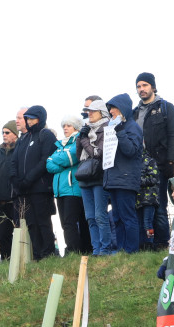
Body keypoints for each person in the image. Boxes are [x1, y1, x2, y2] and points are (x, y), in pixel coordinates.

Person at [133, 73, 174, 249]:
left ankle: (162, 241)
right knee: (141, 206)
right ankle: (146, 243)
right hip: (139, 166)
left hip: (160, 164)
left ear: (153, 87)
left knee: (159, 205)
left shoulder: (166, 107)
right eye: (138, 86)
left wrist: (170, 161)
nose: (141, 89)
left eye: (145, 85)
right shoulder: (134, 112)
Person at [10, 105, 57, 260]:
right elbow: (14, 162)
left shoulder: (46, 135)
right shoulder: (23, 139)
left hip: (40, 188)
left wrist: (28, 179)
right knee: (31, 223)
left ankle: (48, 253)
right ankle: (37, 254)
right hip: (24, 190)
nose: (28, 121)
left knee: (43, 221)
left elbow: (45, 160)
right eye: (27, 118)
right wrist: (16, 180)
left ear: (40, 118)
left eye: (32, 118)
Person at [102, 94, 144, 254]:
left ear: (123, 109)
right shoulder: (114, 127)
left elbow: (130, 151)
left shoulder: (133, 127)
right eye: (110, 108)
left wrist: (119, 131)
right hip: (114, 178)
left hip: (126, 180)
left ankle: (131, 251)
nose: (111, 111)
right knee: (117, 218)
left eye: (114, 107)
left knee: (128, 217)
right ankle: (120, 250)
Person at [47, 115, 89, 254]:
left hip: (73, 188)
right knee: (65, 223)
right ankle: (72, 249)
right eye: (64, 126)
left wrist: (57, 162)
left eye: (68, 126)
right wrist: (59, 163)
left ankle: (74, 250)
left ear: (76, 127)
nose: (65, 128)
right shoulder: (60, 145)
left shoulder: (78, 141)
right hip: (59, 190)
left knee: (71, 222)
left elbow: (69, 159)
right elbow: (48, 164)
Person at [77, 98, 113, 255]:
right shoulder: (86, 129)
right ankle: (96, 249)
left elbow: (98, 154)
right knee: (90, 217)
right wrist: (80, 138)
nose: (89, 114)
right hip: (85, 177)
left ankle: (106, 249)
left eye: (93, 111)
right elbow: (80, 156)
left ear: (102, 113)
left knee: (100, 215)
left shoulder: (108, 128)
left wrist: (84, 140)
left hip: (99, 176)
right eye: (88, 111)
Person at [0, 121, 19, 261]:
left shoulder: (20, 147)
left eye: (7, 132)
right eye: (2, 132)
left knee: (20, 234)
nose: (4, 135)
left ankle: (21, 263)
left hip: (15, 199)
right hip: (1, 199)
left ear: (15, 134)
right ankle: (7, 262)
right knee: (3, 235)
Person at [137, 147, 160, 250]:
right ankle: (141, 244)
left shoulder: (150, 161)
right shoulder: (134, 162)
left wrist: (137, 180)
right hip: (138, 199)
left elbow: (153, 179)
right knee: (139, 223)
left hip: (150, 199)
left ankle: (149, 244)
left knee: (147, 222)